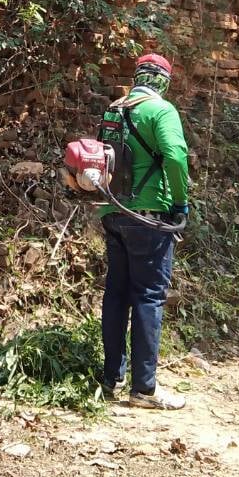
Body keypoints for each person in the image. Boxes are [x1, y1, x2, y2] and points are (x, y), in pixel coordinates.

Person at [99, 52, 190, 409]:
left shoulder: (114, 109)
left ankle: (110, 380)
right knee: (149, 297)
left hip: (113, 212)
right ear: (164, 81)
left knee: (116, 295)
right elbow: (175, 157)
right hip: (150, 216)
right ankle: (144, 389)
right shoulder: (161, 111)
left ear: (137, 76)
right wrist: (180, 203)